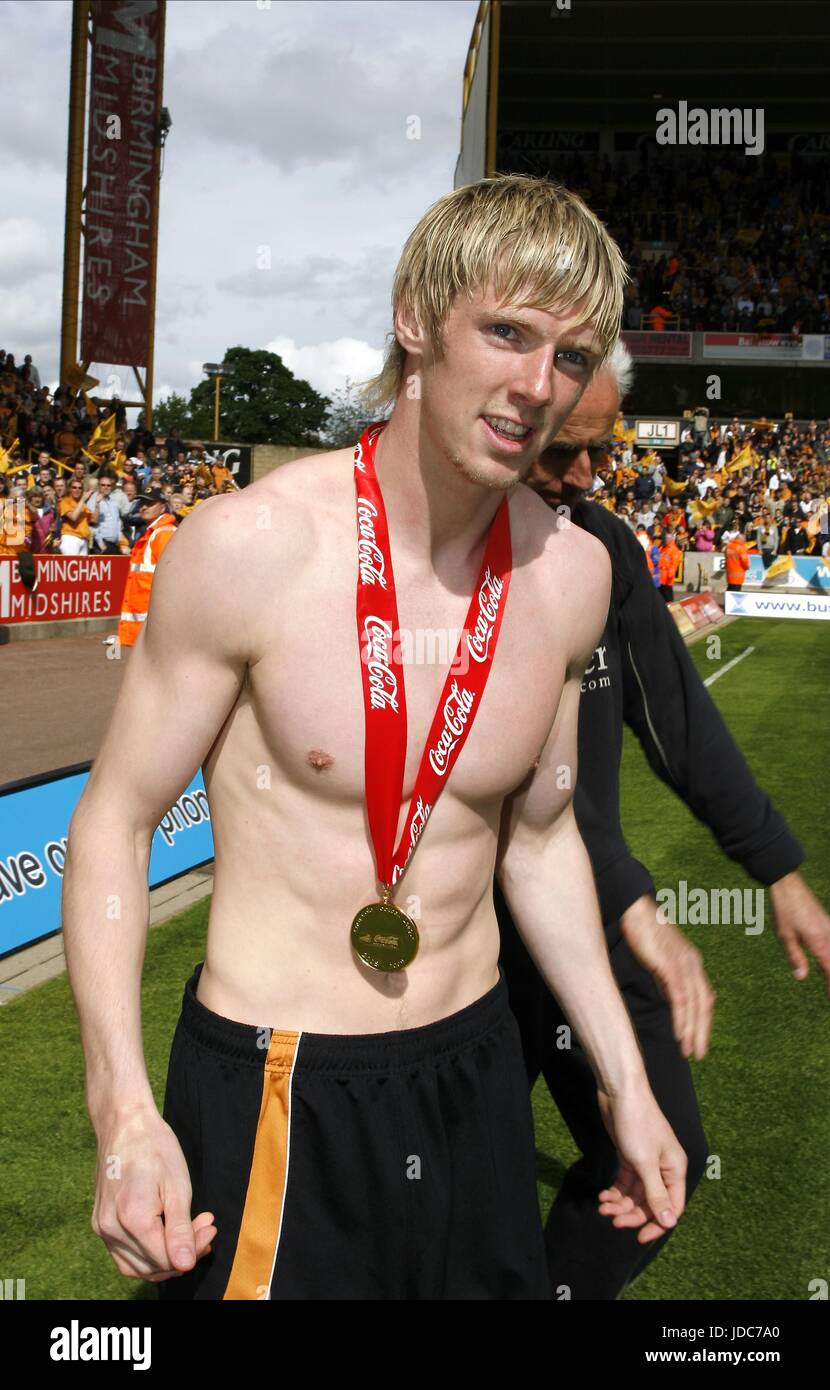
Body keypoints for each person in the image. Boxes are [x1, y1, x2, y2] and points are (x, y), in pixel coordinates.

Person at [63, 175, 687, 1302]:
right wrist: (122, 1108)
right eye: (505, 332)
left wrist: (625, 1081)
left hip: (476, 1068)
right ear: (414, 317)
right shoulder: (248, 547)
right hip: (277, 1082)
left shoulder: (572, 575)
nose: (534, 387)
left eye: (571, 357)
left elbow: (539, 845)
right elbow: (114, 818)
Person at [503, 344, 830, 1299]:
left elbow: (677, 721)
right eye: (562, 451)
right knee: (432, 1194)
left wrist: (779, 872)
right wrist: (638, 905)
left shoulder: (601, 545)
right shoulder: (443, 564)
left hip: (581, 906)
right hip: (462, 937)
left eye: (598, 451)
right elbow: (516, 786)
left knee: (662, 1160)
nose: (585, 477)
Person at [116, 489, 178, 647]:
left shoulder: (163, 534)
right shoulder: (152, 533)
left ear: (162, 508)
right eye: (142, 503)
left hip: (154, 629)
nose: (143, 507)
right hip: (146, 629)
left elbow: (172, 580)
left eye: (150, 504)